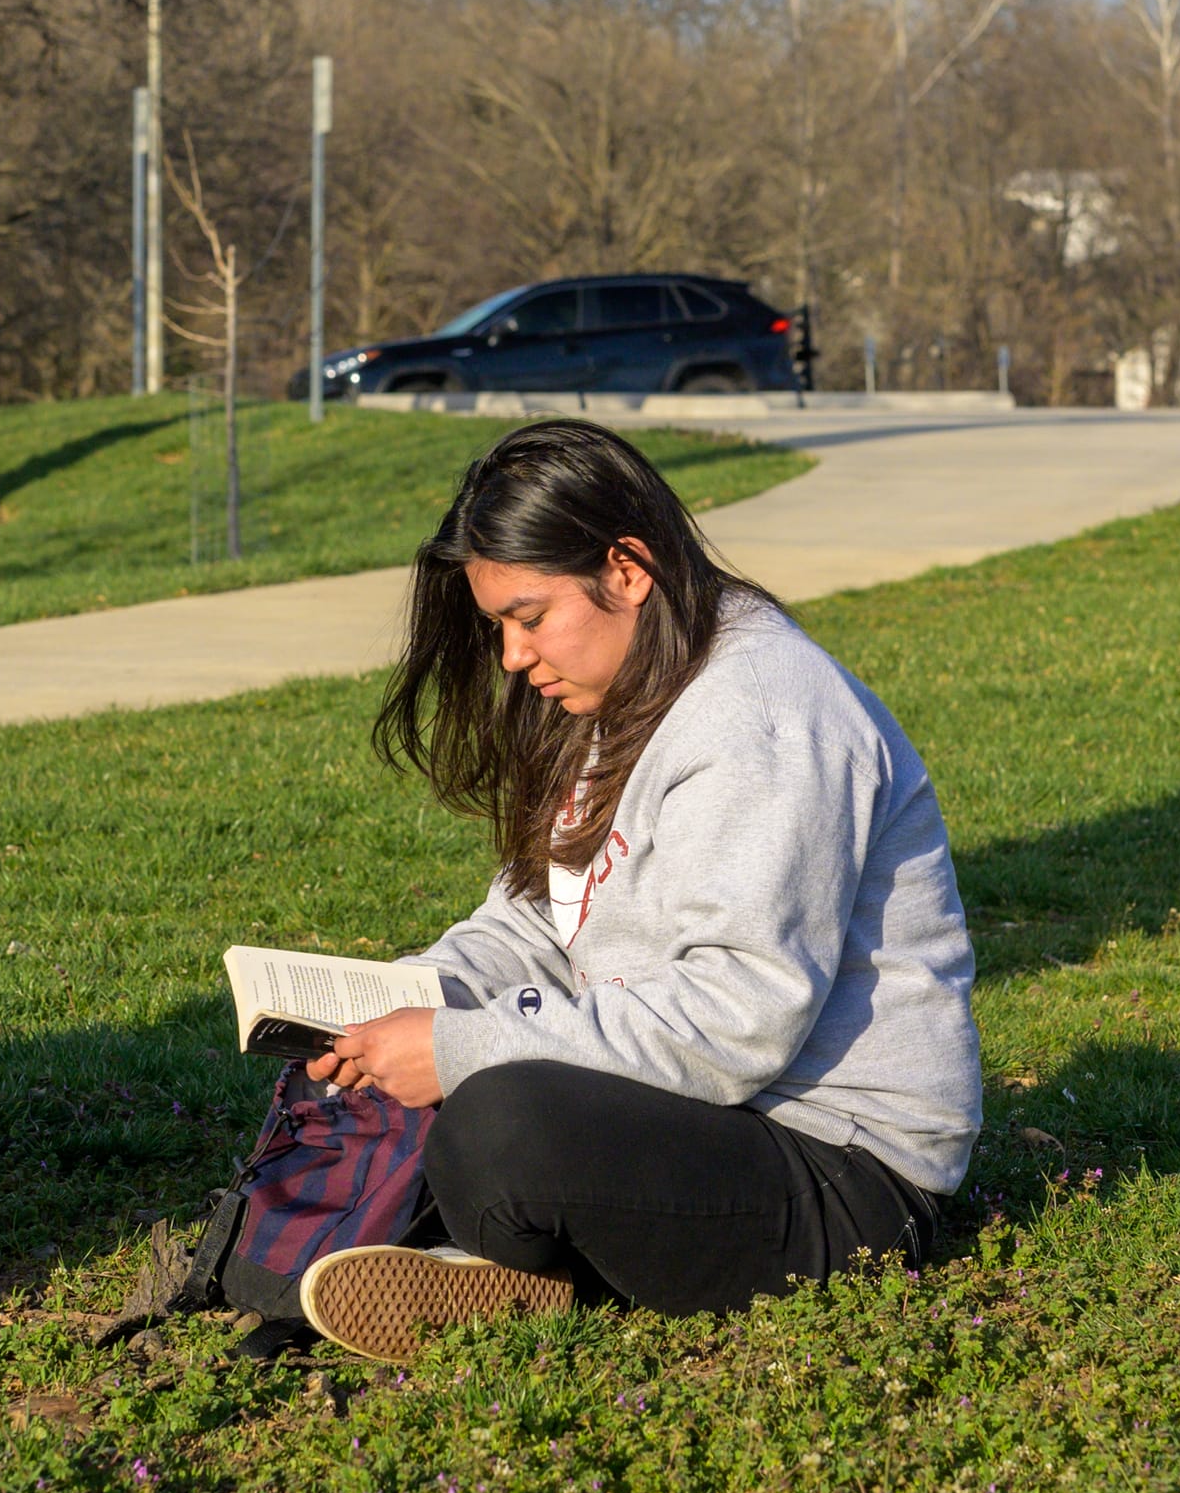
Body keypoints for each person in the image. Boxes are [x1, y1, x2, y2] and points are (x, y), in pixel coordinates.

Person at [295, 418, 982, 1363]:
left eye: (530, 617)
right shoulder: (623, 687)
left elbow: (741, 1018)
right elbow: (536, 921)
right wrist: (408, 999)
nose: (511, 657)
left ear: (626, 570)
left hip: (844, 1173)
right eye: (499, 625)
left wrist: (461, 1049)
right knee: (403, 1086)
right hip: (704, 1115)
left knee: (501, 1129)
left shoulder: (761, 716)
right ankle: (509, 1265)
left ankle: (510, 1261)